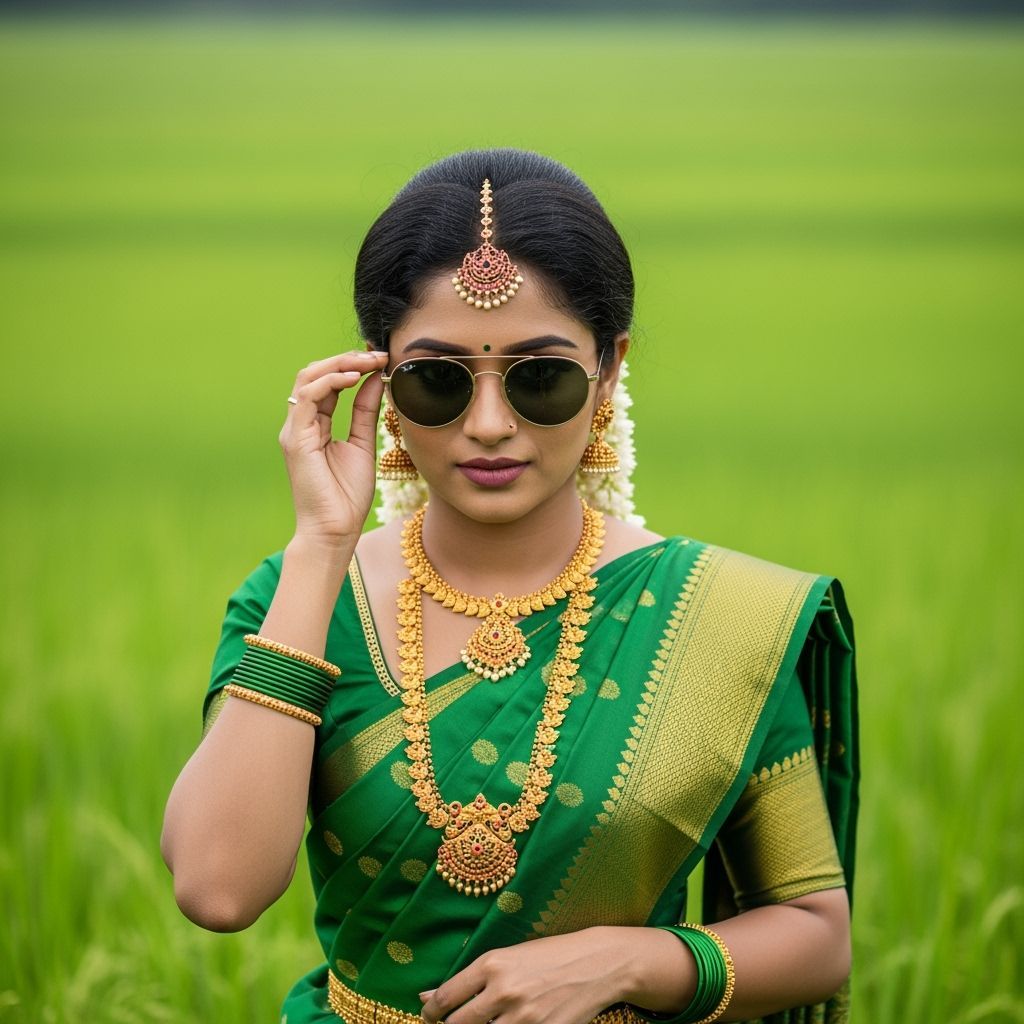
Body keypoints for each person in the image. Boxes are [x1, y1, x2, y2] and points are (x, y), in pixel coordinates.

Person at [161, 149, 858, 1024]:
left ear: (609, 371)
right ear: (379, 376)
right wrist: (322, 544)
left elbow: (816, 935)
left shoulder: (720, 617)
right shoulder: (299, 601)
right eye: (437, 380)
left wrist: (631, 960)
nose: (489, 426)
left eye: (541, 377)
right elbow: (218, 889)